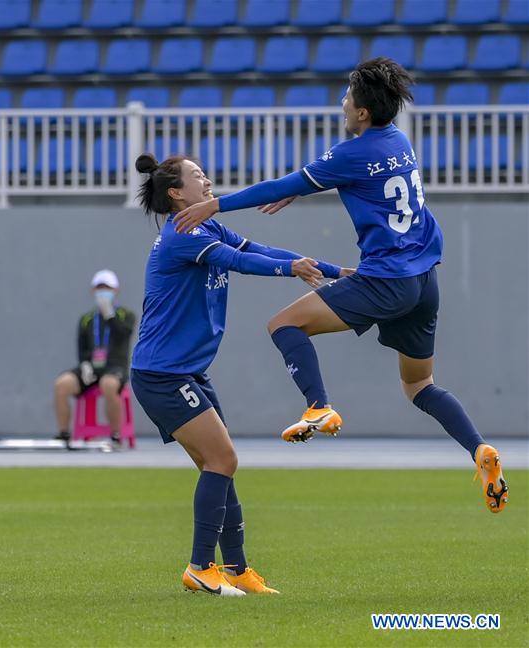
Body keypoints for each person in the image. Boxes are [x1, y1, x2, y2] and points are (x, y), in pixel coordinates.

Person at [173, 57, 508, 514]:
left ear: (363, 112)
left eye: (349, 96)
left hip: (386, 279)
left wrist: (217, 207)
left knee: (283, 325)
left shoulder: (351, 153)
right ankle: (479, 450)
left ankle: (318, 406)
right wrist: (307, 185)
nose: (344, 103)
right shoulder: (399, 141)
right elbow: (333, 179)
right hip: (424, 278)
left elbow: (283, 182)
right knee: (421, 385)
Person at [130, 152, 349, 596]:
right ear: (176, 193)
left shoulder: (206, 224)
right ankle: (199, 567)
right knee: (223, 461)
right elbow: (238, 262)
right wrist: (290, 269)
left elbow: (255, 249)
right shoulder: (182, 235)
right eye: (196, 175)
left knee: (219, 466)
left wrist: (329, 270)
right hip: (162, 375)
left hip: (185, 372)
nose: (206, 179)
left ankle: (237, 569)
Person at [53, 269, 136, 444]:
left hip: (115, 367)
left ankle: (115, 436)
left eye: (106, 288)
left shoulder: (126, 315)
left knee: (109, 384)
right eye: (99, 288)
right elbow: (82, 348)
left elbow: (124, 334)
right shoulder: (87, 319)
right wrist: (84, 364)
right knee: (61, 384)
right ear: (93, 290)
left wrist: (110, 316)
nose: (103, 292)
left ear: (115, 290)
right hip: (91, 369)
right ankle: (64, 434)